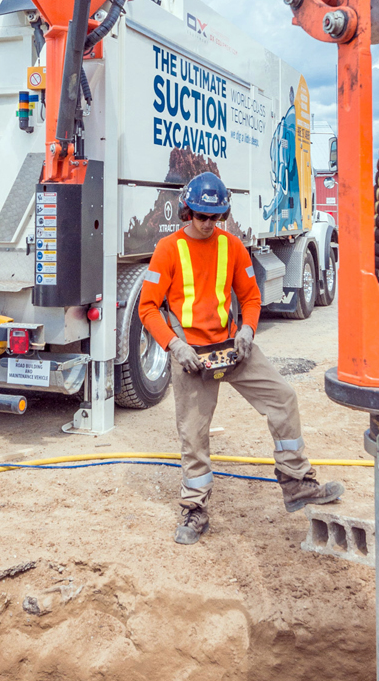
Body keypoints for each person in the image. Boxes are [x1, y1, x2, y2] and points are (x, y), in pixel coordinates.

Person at [138, 172, 344, 545]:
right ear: (188, 211)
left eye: (215, 217)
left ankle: (296, 483)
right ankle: (195, 508)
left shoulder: (232, 246)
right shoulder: (168, 249)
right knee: (194, 434)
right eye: (201, 216)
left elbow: (249, 296)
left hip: (232, 347)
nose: (208, 224)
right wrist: (175, 346)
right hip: (191, 357)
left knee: (283, 398)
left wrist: (248, 330)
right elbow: (148, 308)